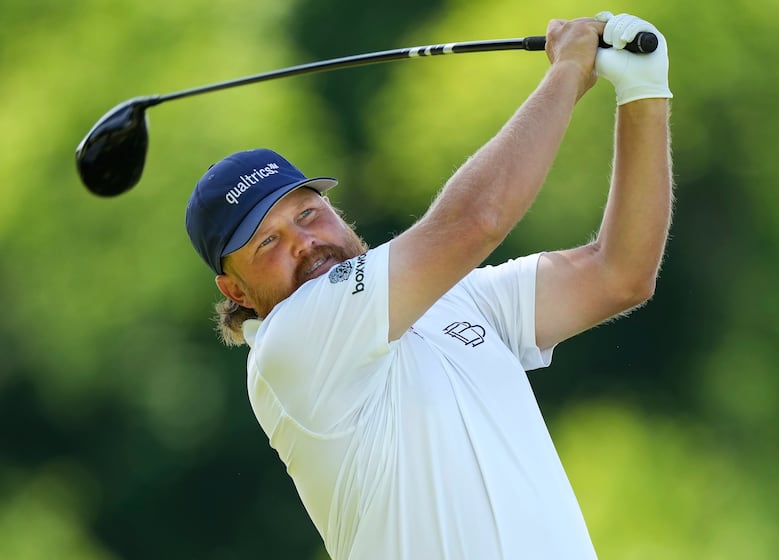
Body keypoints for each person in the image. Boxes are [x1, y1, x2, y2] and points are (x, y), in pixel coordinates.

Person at [185, 11, 673, 560]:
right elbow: (476, 220)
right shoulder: (289, 346)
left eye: (307, 214)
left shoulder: (458, 298)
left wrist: (643, 92)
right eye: (266, 243)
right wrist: (568, 72)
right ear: (237, 293)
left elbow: (620, 275)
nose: (303, 242)